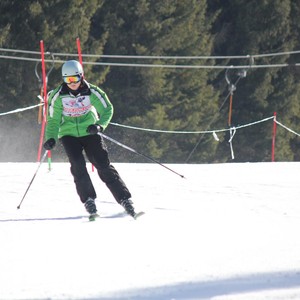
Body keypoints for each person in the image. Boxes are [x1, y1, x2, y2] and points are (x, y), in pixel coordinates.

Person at [43, 60, 138, 218]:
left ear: (81, 76)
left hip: (90, 131)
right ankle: (88, 200)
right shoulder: (57, 96)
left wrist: (99, 126)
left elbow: (107, 108)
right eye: (68, 80)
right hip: (68, 134)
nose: (72, 83)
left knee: (102, 163)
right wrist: (51, 138)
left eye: (75, 79)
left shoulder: (92, 92)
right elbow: (53, 120)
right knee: (77, 164)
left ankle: (125, 199)